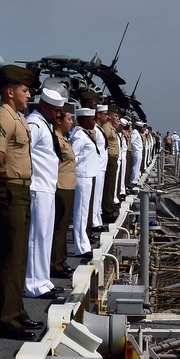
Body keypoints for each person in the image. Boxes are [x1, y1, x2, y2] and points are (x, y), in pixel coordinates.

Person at [0, 64, 42, 340]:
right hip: (8, 191)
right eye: (24, 89)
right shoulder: (2, 119)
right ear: (10, 91)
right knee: (10, 257)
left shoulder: (18, 117)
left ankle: (17, 311)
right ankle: (6, 319)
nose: (29, 94)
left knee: (20, 256)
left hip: (20, 191)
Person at [25, 88, 66, 299]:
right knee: (37, 237)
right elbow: (24, 151)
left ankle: (44, 281)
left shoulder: (45, 124)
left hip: (47, 187)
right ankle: (33, 284)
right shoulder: (34, 123)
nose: (58, 114)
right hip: (38, 187)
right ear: (45, 107)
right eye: (56, 110)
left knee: (46, 236)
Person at [50, 103, 77, 280]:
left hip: (68, 185)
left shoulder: (64, 138)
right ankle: (55, 263)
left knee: (64, 225)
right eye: (69, 119)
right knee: (59, 227)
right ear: (59, 120)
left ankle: (62, 260)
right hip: (61, 186)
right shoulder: (56, 139)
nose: (72, 122)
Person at [70, 107, 99, 256]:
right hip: (82, 176)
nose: (94, 122)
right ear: (84, 120)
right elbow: (72, 157)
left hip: (87, 176)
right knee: (81, 213)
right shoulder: (80, 136)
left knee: (83, 212)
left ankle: (83, 244)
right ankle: (81, 248)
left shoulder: (83, 134)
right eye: (92, 119)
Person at [101, 105, 121, 222]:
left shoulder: (111, 128)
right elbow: (103, 144)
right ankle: (107, 212)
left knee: (111, 186)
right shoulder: (107, 128)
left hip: (113, 158)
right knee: (108, 187)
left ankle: (109, 209)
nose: (117, 118)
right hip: (109, 159)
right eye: (116, 116)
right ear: (109, 116)